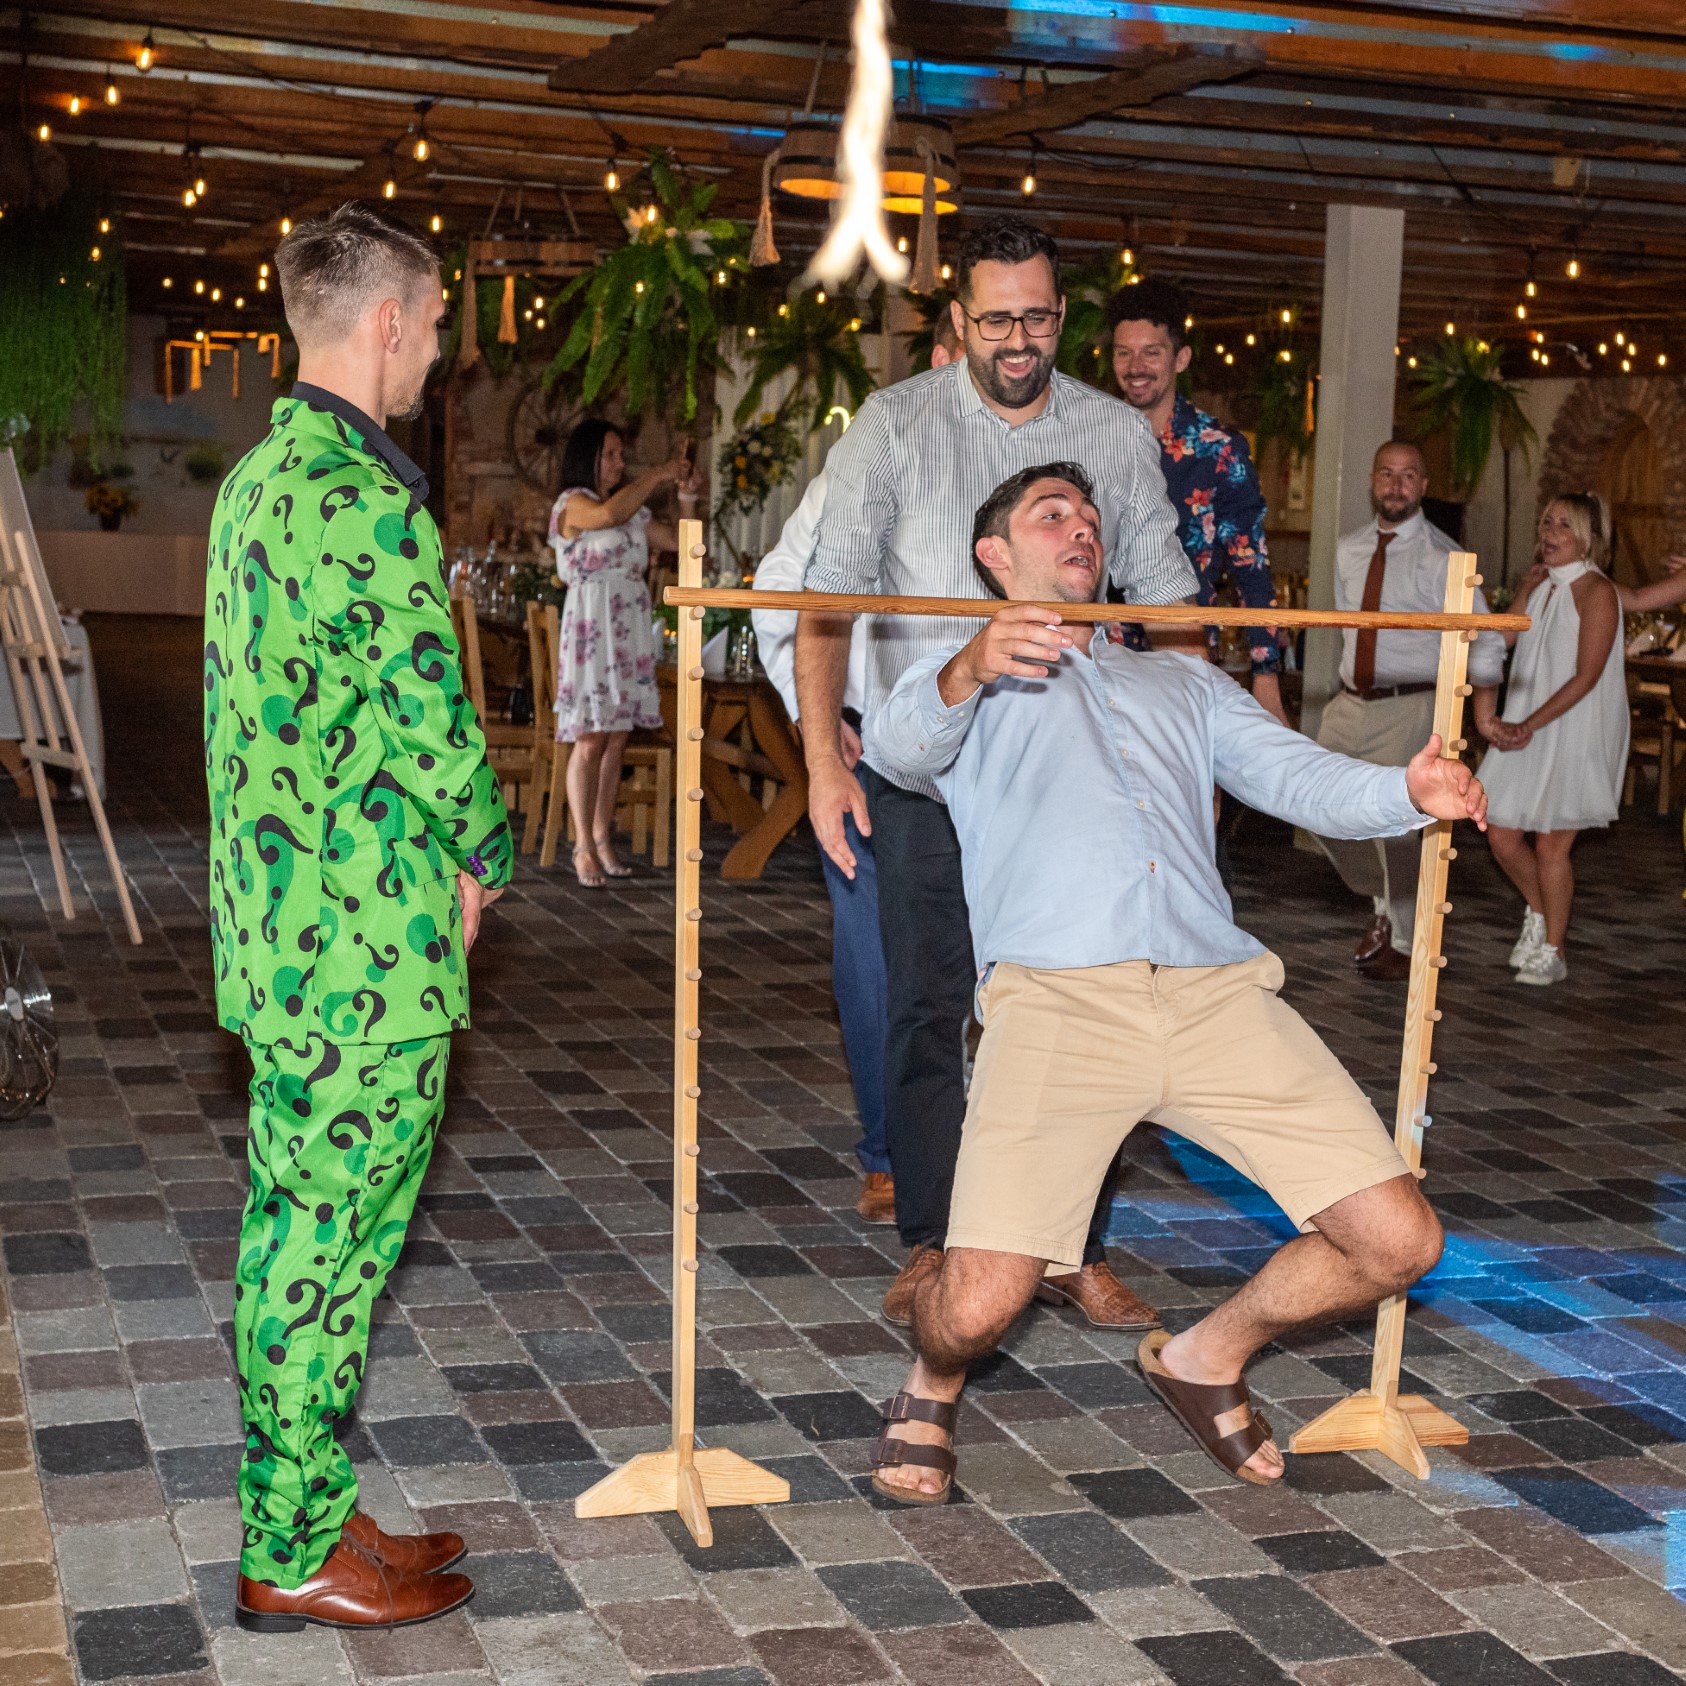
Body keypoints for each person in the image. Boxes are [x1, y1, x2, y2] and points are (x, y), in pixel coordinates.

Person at [864, 463, 1483, 1500]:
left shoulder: (1183, 683)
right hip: (1057, 1002)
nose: (1081, 529)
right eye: (1051, 515)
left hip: (1215, 994)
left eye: (1090, 517)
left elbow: (1296, 777)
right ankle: (931, 1381)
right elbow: (896, 748)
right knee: (972, 1312)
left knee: (1400, 1242)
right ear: (993, 555)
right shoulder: (963, 678)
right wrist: (970, 663)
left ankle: (1204, 1356)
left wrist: (1406, 790)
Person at [798, 214, 1199, 1332]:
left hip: (1074, 783)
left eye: (1037, 319)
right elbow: (825, 605)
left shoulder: (1112, 433)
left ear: (1062, 316)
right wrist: (823, 761)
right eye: (995, 321)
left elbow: (1171, 606)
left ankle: (1071, 1247)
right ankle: (934, 1242)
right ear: (958, 318)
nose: (1018, 341)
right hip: (925, 769)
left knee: (1085, 1011)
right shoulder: (893, 426)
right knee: (927, 1004)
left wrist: (1189, 757)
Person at [206, 202, 513, 1628]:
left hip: (284, 937)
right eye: (437, 324)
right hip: (364, 950)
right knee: (329, 1253)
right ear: (387, 322)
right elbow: (431, 718)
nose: (438, 352)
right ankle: (288, 1548)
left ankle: (308, 1505)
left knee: (297, 1231)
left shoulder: (257, 481)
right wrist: (487, 853)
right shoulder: (361, 499)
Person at [751, 312, 963, 1225]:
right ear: (942, 361)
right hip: (881, 752)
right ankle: (890, 1152)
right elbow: (779, 590)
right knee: (877, 952)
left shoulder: (1053, 459)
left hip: (1009, 751)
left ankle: (1000, 1162)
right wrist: (819, 717)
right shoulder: (868, 459)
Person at [1316, 440, 1505, 980]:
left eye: (1407, 476)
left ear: (1423, 486)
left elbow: (1488, 643)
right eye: (1386, 473)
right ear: (1372, 481)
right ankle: (1383, 903)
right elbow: (1347, 628)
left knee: (1400, 832)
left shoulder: (1445, 558)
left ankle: (1401, 940)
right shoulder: (1350, 549)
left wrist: (1482, 714)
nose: (1395, 486)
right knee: (1317, 806)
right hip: (1349, 703)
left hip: (1411, 707)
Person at [1107, 276, 1287, 725]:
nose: (1136, 366)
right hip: (1097, 662)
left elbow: (1250, 563)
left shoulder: (1220, 450)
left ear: (1181, 358)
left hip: (1183, 660)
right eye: (1123, 352)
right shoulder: (1092, 441)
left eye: (1151, 352)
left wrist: (1266, 674)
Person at [1480, 494, 1643, 985]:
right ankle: (1538, 909)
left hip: (1574, 726)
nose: (1550, 532)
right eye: (1547, 521)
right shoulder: (1542, 584)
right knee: (1501, 831)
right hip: (1526, 720)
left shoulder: (1598, 592)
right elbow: (1503, 638)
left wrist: (1528, 724)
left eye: (1564, 525)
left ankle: (1554, 948)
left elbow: (1587, 676)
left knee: (1552, 844)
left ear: (1588, 539)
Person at [549, 420, 698, 886]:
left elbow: (684, 545)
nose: (619, 462)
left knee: (616, 738)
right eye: (610, 454)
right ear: (588, 456)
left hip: (628, 625)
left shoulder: (635, 512)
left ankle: (601, 835)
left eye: (620, 454)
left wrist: (687, 497)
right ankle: (581, 845)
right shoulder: (573, 504)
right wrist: (659, 473)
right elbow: (607, 516)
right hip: (592, 625)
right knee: (590, 737)